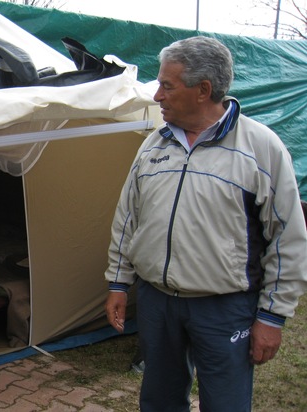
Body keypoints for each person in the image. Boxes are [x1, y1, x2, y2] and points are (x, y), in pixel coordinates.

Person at [104, 36, 307, 412]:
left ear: (203, 90)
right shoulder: (153, 145)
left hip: (224, 307)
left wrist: (272, 317)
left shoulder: (261, 148)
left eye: (167, 85)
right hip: (157, 301)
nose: (157, 96)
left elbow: (288, 239)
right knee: (159, 400)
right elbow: (128, 217)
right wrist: (119, 282)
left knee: (225, 404)